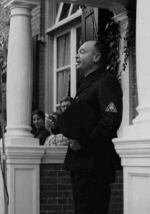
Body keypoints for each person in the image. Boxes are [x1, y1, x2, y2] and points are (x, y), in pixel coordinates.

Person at [59, 41, 122, 214]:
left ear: (96, 57)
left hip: (95, 163)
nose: (76, 55)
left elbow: (110, 119)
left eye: (82, 52)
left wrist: (84, 143)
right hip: (81, 163)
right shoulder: (86, 83)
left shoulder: (106, 81)